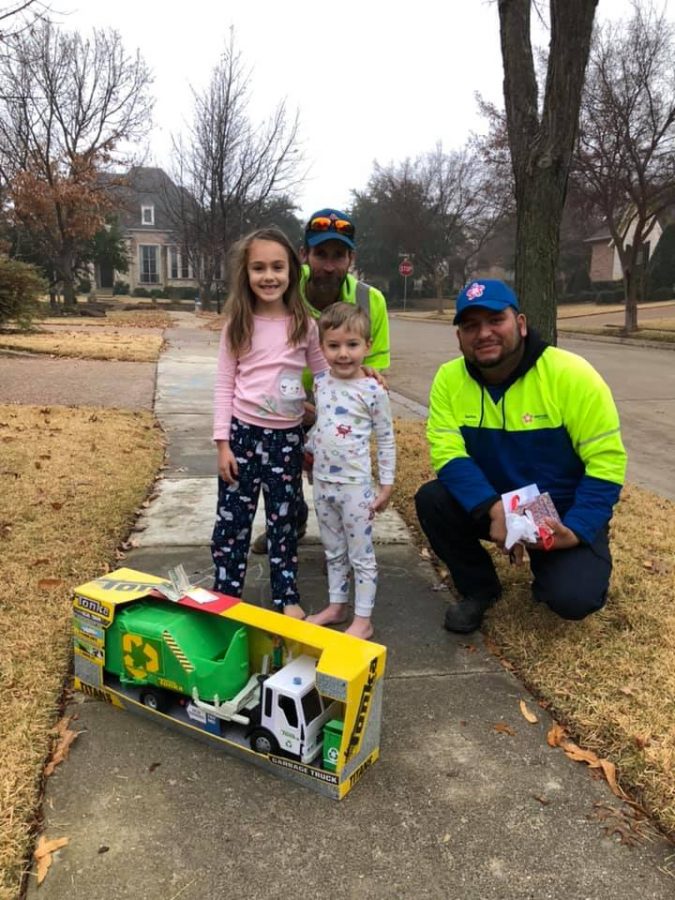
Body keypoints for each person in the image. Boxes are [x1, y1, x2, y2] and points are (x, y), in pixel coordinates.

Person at [415, 278, 627, 634]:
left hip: (558, 511)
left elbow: (607, 464)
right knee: (433, 499)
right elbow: (448, 454)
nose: (483, 333)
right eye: (471, 326)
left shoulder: (572, 375)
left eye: (495, 320)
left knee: (573, 599)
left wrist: (574, 531)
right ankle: (480, 589)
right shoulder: (448, 380)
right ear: (459, 338)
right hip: (495, 502)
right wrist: (494, 509)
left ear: (522, 324)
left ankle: (552, 568)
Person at [251, 207, 390, 553]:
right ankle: (289, 521)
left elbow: (374, 370)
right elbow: (260, 361)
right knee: (273, 453)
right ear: (304, 255)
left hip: (341, 404)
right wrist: (302, 410)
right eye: (321, 254)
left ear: (351, 258)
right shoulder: (281, 293)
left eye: (339, 256)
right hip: (284, 398)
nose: (329, 265)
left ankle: (346, 527)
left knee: (339, 464)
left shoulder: (370, 302)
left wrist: (329, 413)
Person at [211, 227, 327, 619]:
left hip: (286, 440)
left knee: (282, 523)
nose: (269, 276)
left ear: (292, 270)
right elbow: (224, 385)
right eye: (258, 268)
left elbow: (326, 375)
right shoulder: (237, 324)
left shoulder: (304, 325)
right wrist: (222, 443)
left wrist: (359, 382)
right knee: (232, 524)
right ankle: (225, 594)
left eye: (277, 267)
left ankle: (286, 597)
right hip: (241, 437)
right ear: (245, 273)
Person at [305, 302, 396, 639]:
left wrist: (386, 484)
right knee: (333, 550)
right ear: (322, 346)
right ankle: (337, 605)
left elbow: (386, 438)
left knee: (361, 554)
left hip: (356, 486)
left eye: (352, 345)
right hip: (322, 482)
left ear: (367, 346)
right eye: (334, 345)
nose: (343, 354)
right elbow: (323, 425)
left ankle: (363, 619)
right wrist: (308, 448)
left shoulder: (374, 390)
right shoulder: (321, 383)